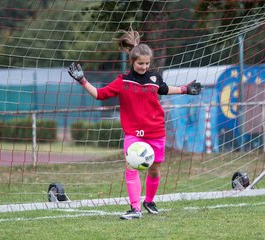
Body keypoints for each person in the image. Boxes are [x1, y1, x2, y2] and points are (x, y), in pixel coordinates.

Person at [68, 28, 202, 220]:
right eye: (140, 63)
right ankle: (135, 208)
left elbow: (164, 89)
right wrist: (82, 80)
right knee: (131, 168)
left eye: (147, 63)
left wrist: (185, 89)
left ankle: (149, 201)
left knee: (155, 170)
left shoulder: (154, 78)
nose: (144, 67)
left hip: (156, 131)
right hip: (134, 134)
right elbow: (99, 94)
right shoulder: (122, 81)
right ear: (132, 62)